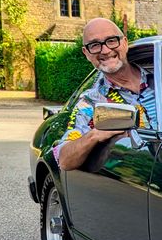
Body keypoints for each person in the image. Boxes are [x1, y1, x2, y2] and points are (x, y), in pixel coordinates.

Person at [54, 18, 156, 171]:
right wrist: (95, 135)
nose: (106, 50)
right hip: (136, 177)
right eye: (95, 45)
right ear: (86, 53)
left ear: (125, 42)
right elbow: (64, 160)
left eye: (111, 41)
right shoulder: (91, 103)